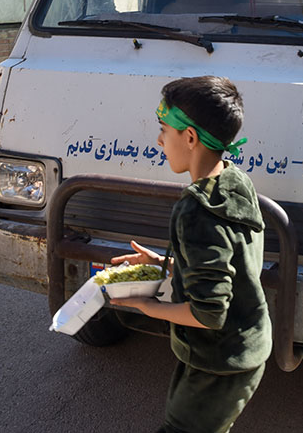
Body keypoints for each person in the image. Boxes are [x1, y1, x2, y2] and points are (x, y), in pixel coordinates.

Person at [109, 76, 272, 433]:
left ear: (190, 138)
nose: (159, 140)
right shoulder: (234, 180)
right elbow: (228, 266)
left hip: (220, 361)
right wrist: (164, 264)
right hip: (239, 347)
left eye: (164, 130)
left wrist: (146, 305)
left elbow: (209, 313)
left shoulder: (196, 211)